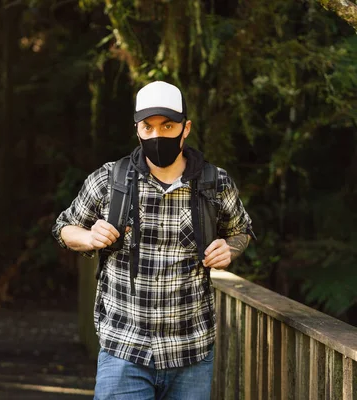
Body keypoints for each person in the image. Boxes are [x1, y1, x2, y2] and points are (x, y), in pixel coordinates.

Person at [52, 81, 255, 399]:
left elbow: (241, 230)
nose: (157, 135)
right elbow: (64, 228)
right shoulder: (109, 180)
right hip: (124, 351)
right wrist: (90, 237)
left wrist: (229, 248)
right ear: (137, 129)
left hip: (191, 354)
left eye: (168, 125)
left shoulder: (215, 183)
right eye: (148, 127)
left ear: (185, 128)